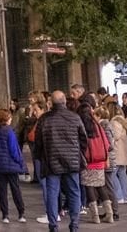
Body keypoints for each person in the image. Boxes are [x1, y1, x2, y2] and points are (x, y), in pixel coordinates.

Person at [33, 89, 85, 232]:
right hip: (72, 160)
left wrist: (39, 157)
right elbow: (83, 139)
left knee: (52, 193)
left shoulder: (45, 119)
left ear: (51, 103)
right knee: (74, 192)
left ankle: (53, 225)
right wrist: (78, 153)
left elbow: (38, 142)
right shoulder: (74, 117)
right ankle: (74, 225)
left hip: (52, 161)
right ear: (64, 102)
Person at [77, 98, 115, 222]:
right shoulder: (97, 125)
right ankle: (109, 214)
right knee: (101, 186)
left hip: (87, 161)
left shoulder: (81, 126)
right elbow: (106, 143)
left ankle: (95, 216)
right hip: (99, 160)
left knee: (89, 187)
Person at [0, 108, 27, 223]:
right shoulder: (9, 131)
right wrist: (21, 163)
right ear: (5, 119)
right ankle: (21, 213)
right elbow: (14, 150)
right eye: (9, 117)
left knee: (2, 191)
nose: (11, 119)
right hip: (11, 165)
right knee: (15, 189)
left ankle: (5, 215)